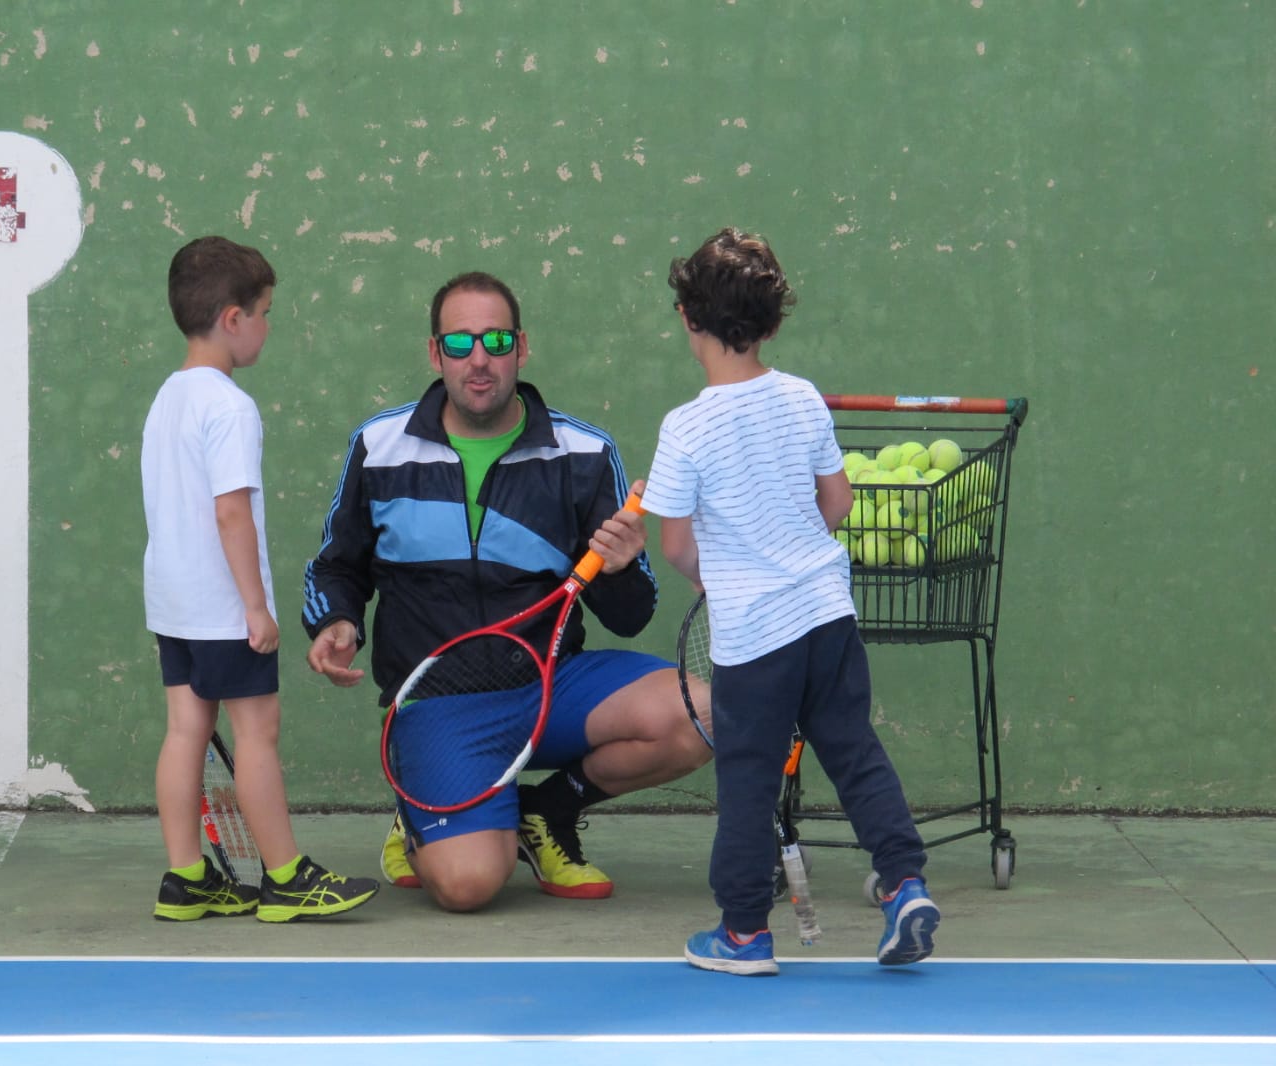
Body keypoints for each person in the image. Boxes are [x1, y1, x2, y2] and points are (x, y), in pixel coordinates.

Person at [301, 270, 713, 913]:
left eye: (495, 340)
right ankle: (422, 811)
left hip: (552, 686)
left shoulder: (583, 453)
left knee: (704, 715)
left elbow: (631, 617)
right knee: (467, 887)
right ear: (435, 354)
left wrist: (622, 566)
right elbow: (336, 566)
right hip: (438, 704)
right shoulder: (380, 448)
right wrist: (338, 621)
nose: (479, 359)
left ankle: (547, 810)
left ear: (521, 348)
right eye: (459, 343)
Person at [640, 228, 941, 975]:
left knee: (748, 779)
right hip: (827, 615)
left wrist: (717, 577)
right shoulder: (803, 398)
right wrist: (791, 556)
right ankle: (904, 883)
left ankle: (744, 934)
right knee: (854, 750)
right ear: (773, 324)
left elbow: (674, 545)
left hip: (753, 639)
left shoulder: (685, 428)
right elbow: (836, 503)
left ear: (686, 317)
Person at [141, 235, 379, 924]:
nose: (268, 326)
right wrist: (255, 606)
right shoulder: (229, 406)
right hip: (223, 608)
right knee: (257, 733)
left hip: (173, 603)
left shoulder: (168, 397)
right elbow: (231, 512)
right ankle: (285, 877)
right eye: (266, 312)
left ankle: (187, 879)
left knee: (185, 731)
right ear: (233, 318)